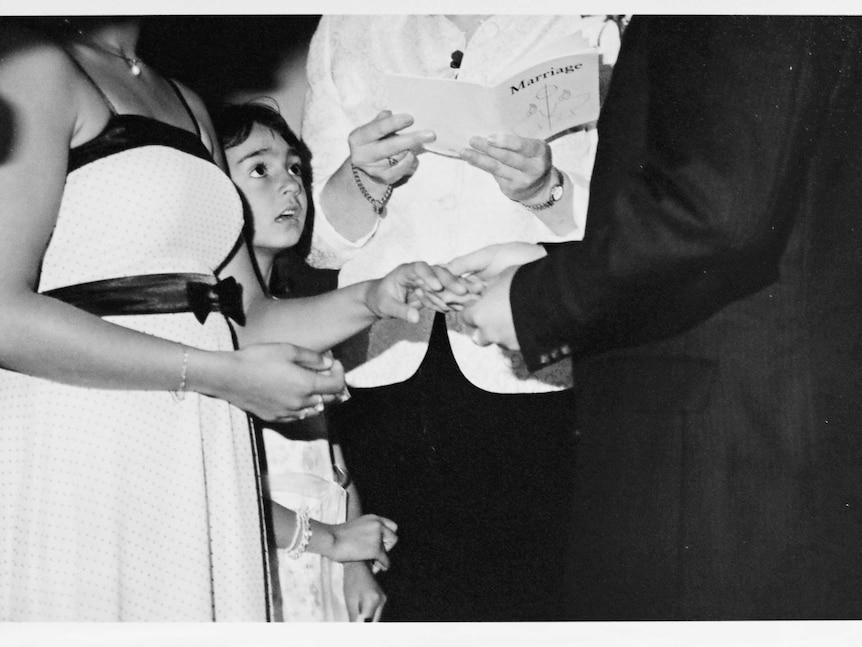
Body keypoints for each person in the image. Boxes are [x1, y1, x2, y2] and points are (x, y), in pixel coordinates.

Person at [0, 18, 458, 621]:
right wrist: (215, 373)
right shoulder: (33, 61)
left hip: (202, 433)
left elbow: (252, 318)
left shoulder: (186, 102)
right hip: (85, 429)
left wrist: (372, 297)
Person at [449, 16, 862, 619]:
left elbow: (719, 211)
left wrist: (536, 299)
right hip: (745, 431)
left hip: (722, 456)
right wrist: (549, 262)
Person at [301, 14, 620, 621]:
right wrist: (363, 179)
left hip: (531, 355)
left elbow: (623, 226)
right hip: (387, 356)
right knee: (412, 595)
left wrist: (546, 189)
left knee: (537, 590)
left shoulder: (584, 20)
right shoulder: (351, 21)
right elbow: (315, 238)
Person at [214, 100, 391, 622]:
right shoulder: (209, 326)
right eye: (259, 169)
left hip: (325, 561)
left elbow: (330, 456)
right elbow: (220, 496)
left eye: (295, 168)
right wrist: (332, 539)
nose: (291, 185)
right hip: (265, 564)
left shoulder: (307, 317)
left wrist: (355, 561)